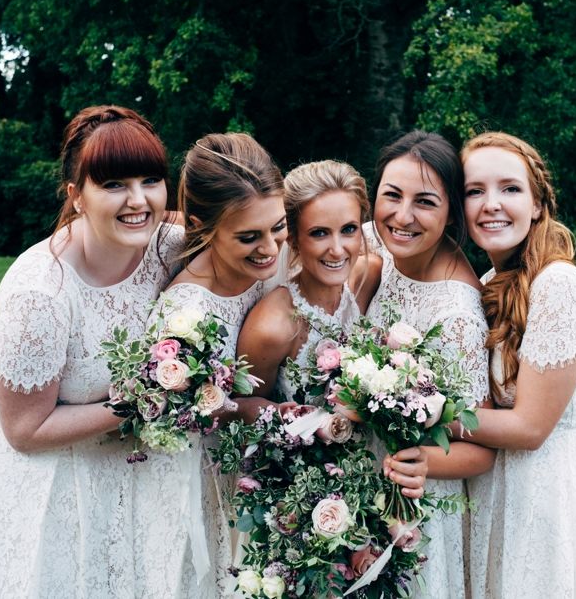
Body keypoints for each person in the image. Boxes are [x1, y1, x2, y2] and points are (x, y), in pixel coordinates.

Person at [0, 105, 195, 598]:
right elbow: (24, 430)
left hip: (134, 477)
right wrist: (141, 400)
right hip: (44, 482)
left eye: (151, 179)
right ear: (76, 196)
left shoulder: (172, 245)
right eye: (114, 184)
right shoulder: (38, 294)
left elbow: (260, 236)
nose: (138, 200)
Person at [460, 131, 576, 598]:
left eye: (509, 188)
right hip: (498, 492)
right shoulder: (490, 282)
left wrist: (429, 415)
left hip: (548, 496)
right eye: (475, 191)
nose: (491, 203)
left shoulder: (559, 285)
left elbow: (530, 428)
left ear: (537, 204)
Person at [237, 159, 427, 496]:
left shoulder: (367, 275)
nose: (338, 249)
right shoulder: (274, 325)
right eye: (319, 233)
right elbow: (243, 412)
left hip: (371, 482)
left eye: (349, 229)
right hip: (301, 493)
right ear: (293, 239)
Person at [156, 132, 288, 595]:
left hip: (265, 465)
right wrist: (250, 409)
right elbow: (185, 415)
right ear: (203, 226)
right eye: (249, 237)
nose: (270, 248)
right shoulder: (186, 312)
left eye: (279, 226)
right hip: (210, 477)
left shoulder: (269, 260)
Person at [368, 131, 495, 599]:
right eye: (391, 196)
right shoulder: (381, 244)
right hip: (358, 481)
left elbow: (480, 447)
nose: (402, 217)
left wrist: (423, 463)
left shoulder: (457, 314)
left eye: (424, 202)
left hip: (417, 503)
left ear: (450, 214)